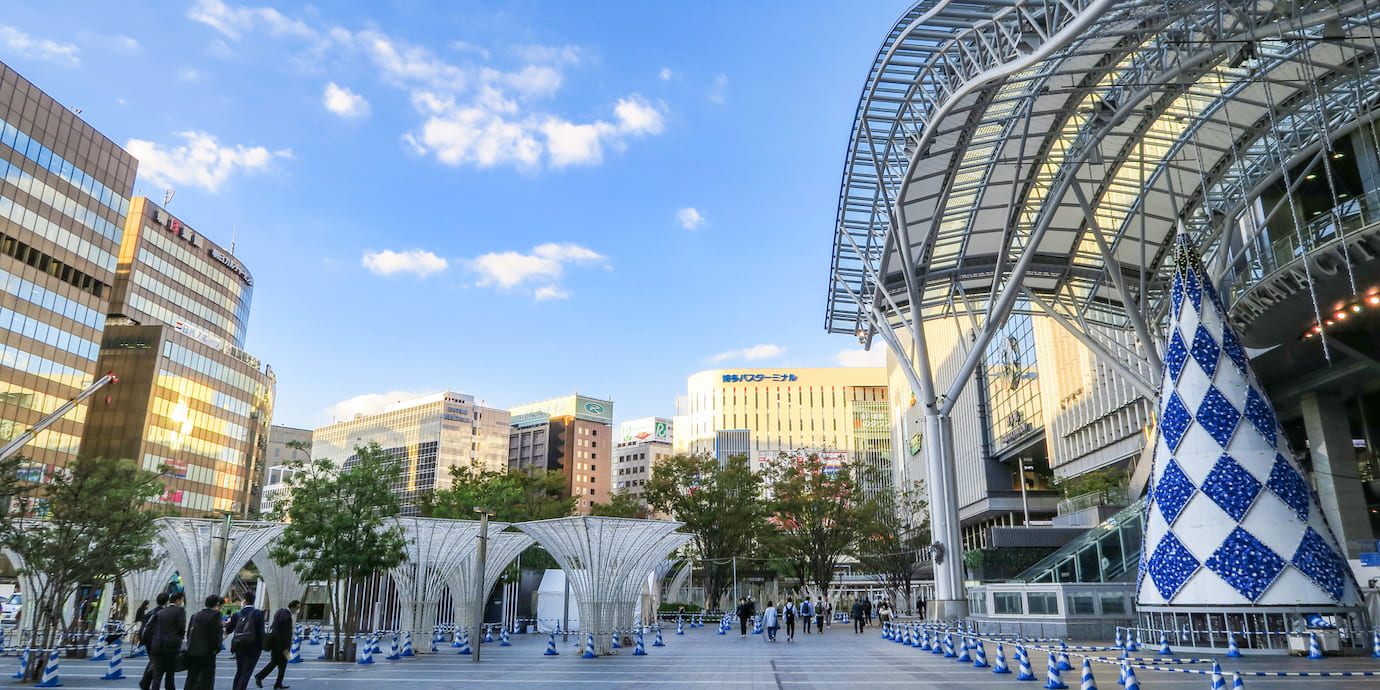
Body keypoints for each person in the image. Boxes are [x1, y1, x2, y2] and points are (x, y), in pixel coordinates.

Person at [255, 600, 299, 689]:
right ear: (293, 607)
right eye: (297, 608)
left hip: (274, 643)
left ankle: (278, 683)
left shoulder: (280, 611)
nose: (297, 610)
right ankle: (260, 676)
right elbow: (285, 635)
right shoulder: (288, 618)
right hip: (282, 646)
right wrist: (285, 648)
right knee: (277, 663)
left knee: (280, 664)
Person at [227, 592, 266, 690]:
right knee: (246, 672)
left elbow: (229, 630)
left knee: (239, 671)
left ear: (244, 600)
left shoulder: (237, 614)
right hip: (253, 648)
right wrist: (261, 647)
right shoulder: (259, 614)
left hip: (239, 646)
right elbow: (261, 633)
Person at [148, 592, 186, 690]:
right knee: (170, 674)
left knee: (157, 675)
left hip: (158, 645)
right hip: (171, 646)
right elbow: (181, 628)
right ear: (178, 600)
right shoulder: (180, 611)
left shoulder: (162, 612)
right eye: (182, 600)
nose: (182, 602)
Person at [185, 595, 223, 690]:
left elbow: (189, 633)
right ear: (217, 604)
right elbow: (216, 634)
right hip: (208, 652)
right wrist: (216, 648)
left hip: (193, 651)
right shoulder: (216, 615)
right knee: (207, 678)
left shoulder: (196, 615)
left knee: (192, 677)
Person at [139, 592, 170, 690]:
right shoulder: (163, 612)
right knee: (155, 663)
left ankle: (145, 683)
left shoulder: (152, 612)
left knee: (153, 661)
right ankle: (145, 683)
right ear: (167, 601)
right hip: (155, 641)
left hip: (147, 640)